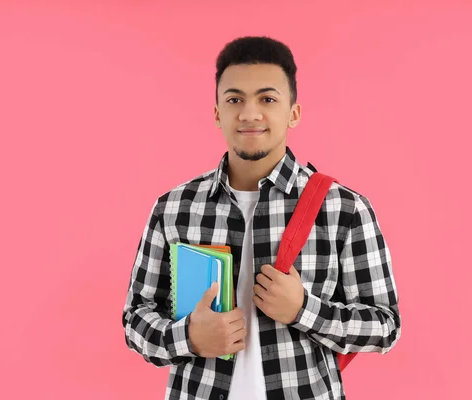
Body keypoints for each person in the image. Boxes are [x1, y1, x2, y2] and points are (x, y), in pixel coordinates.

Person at [122, 36, 401, 400]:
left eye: (267, 99)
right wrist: (188, 337)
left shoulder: (344, 209)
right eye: (234, 99)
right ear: (217, 112)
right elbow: (136, 319)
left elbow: (385, 326)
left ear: (293, 113)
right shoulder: (174, 207)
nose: (250, 114)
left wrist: (304, 310)